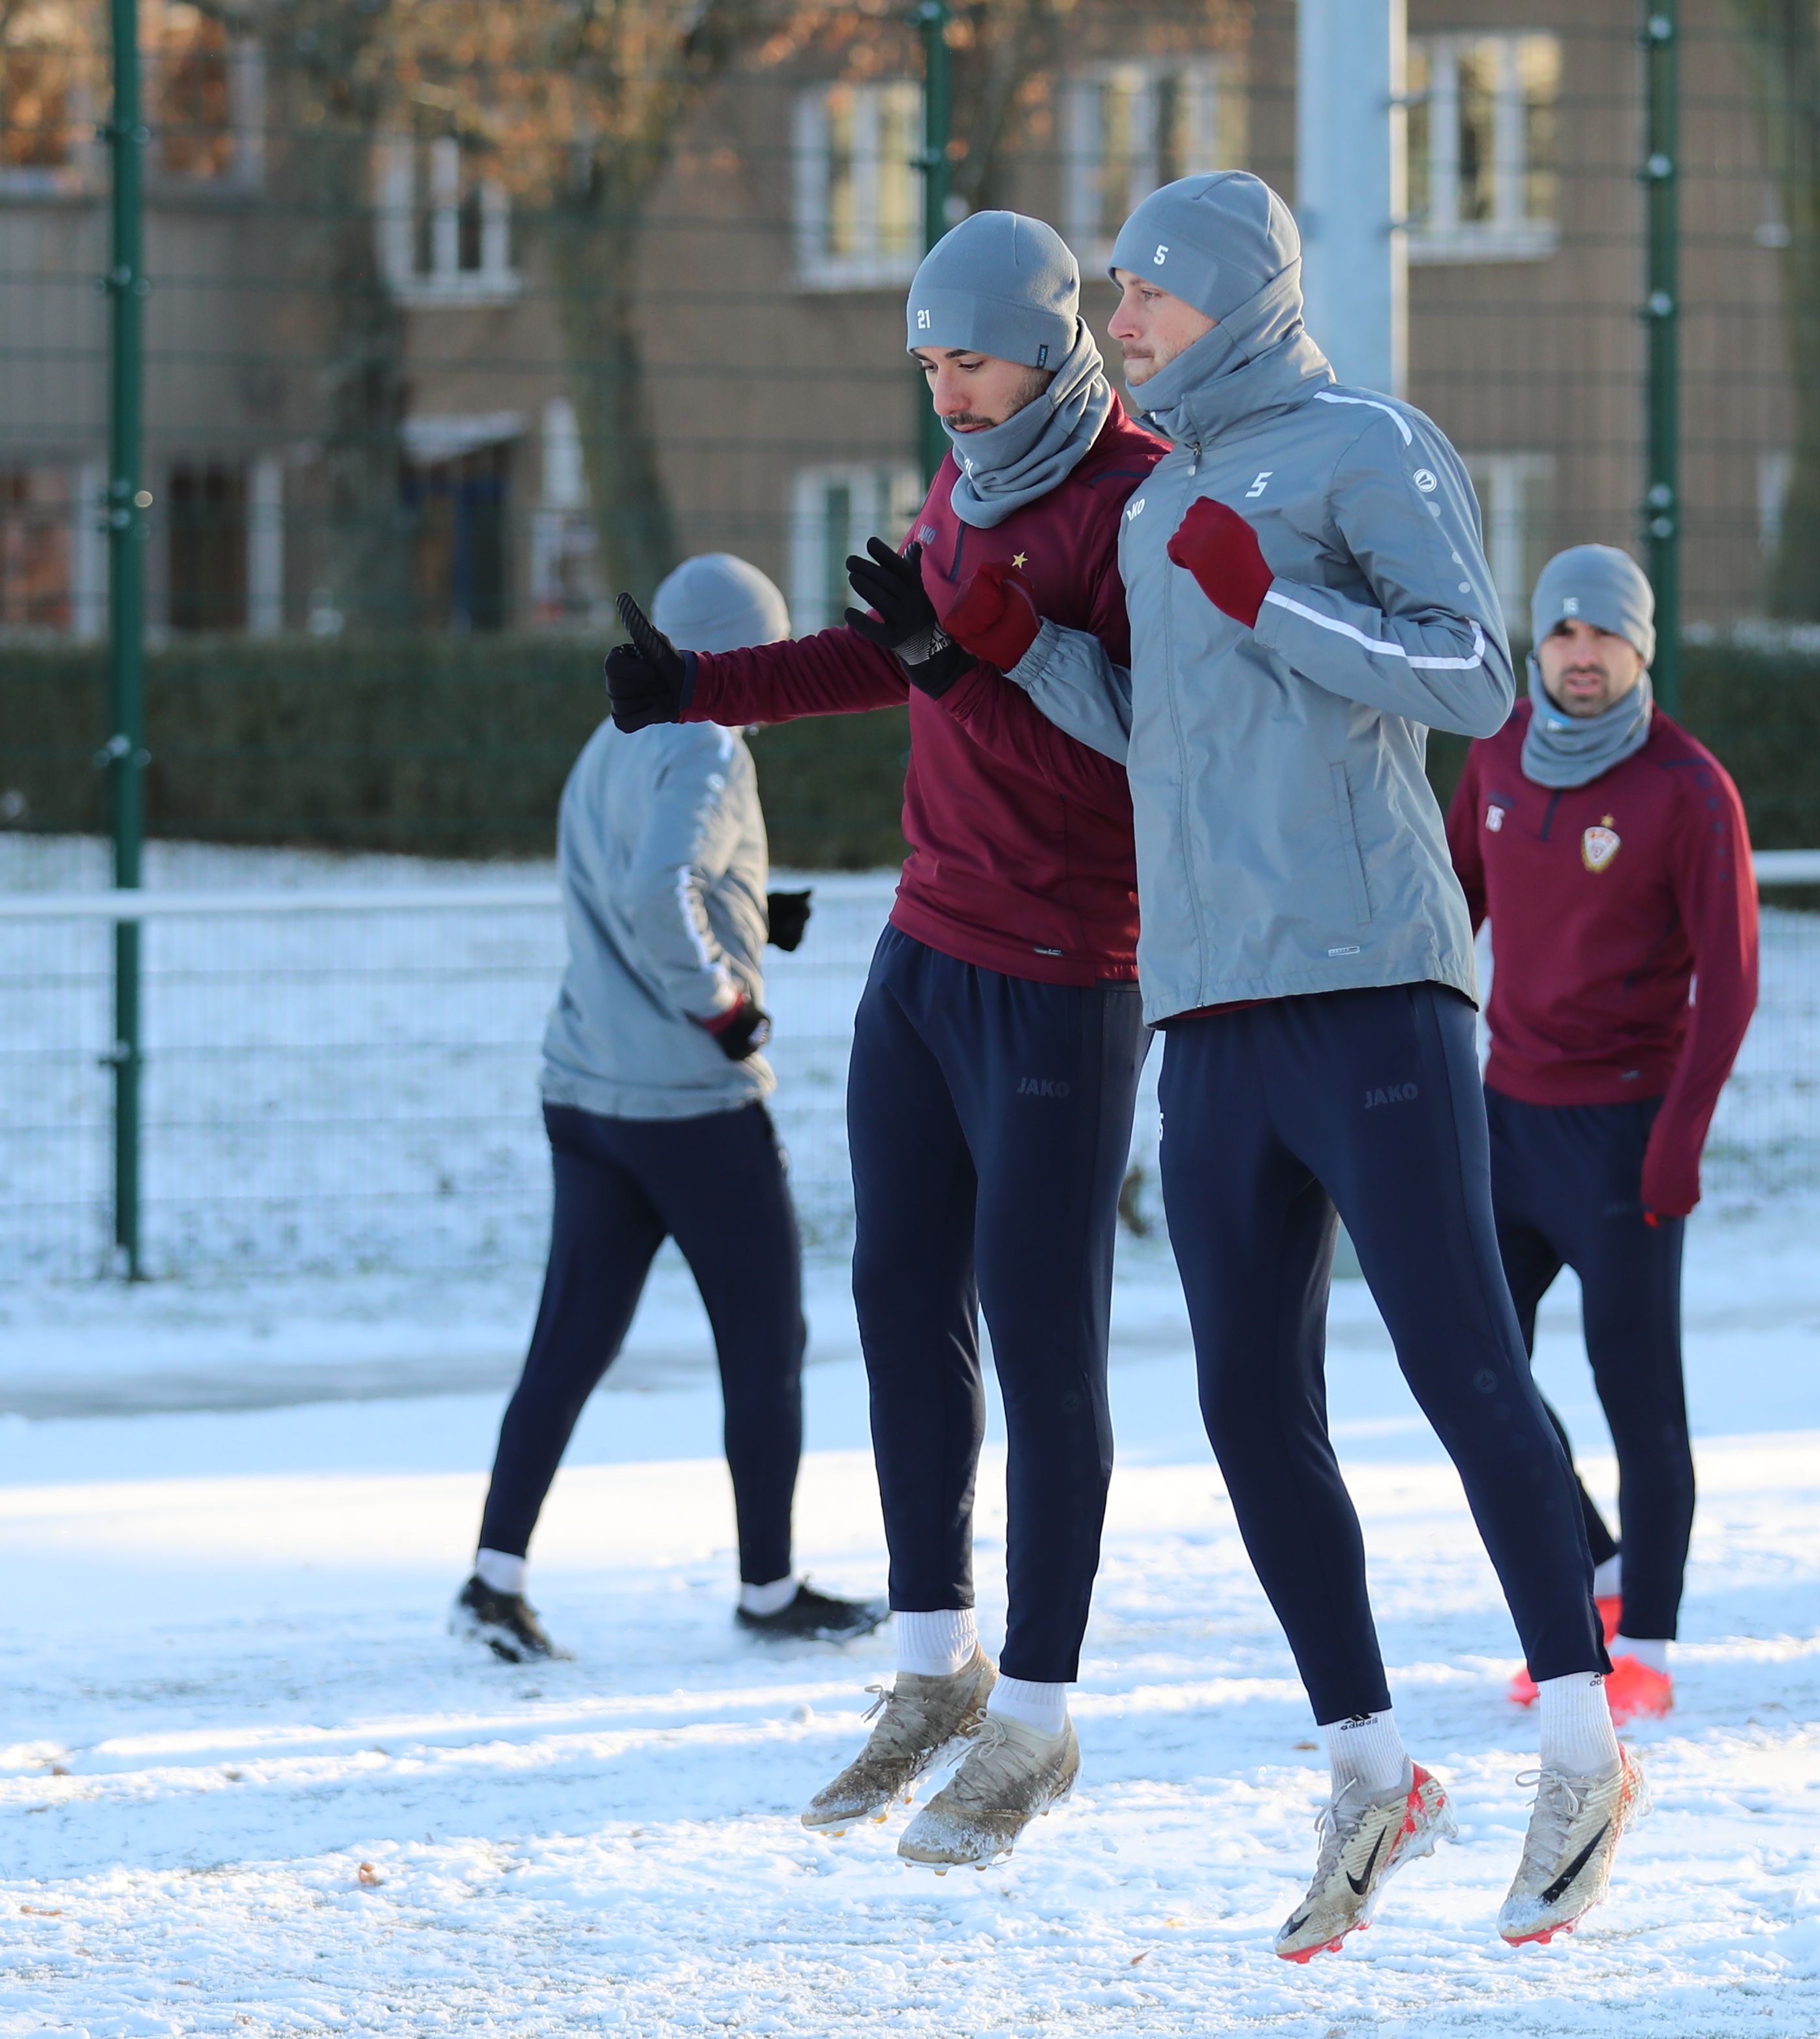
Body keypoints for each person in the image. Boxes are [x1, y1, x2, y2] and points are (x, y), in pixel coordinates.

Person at [968, 171, 1637, 1957]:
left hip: (1372, 985)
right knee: (1247, 1400)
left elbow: (1478, 681)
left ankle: (1580, 1743)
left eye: (1146, 298)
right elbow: (1158, 735)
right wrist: (1010, 653)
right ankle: (1369, 1765)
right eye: (1112, 300)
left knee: (1456, 1361)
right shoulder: (1159, 496)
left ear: (1235, 296)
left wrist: (1268, 594)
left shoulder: (1368, 444)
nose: (1118, 325)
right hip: (1210, 1008)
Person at [603, 211, 1164, 1869]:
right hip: (927, 948)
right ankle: (934, 1662)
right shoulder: (967, 480)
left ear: (1053, 342)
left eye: (969, 360)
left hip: (1068, 964)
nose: (947, 394)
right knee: (897, 1294)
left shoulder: (1134, 500)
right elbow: (896, 658)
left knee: (1043, 1333)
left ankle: (1038, 1719)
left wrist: (959, 663)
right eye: (925, 365)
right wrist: (699, 685)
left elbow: (1139, 758)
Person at [455, 553, 880, 1663]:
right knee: (765, 1338)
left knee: (571, 1339)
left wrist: (751, 913)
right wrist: (724, 1002)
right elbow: (657, 889)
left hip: (585, 1082)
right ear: (737, 652)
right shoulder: (708, 737)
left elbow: (636, 875)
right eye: (773, 653)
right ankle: (769, 1588)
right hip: (685, 1100)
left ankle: (493, 1575)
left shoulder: (620, 730)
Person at [1444, 544, 1759, 1728]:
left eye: (1606, 638)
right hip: (1505, 1121)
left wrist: (1680, 1139)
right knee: (1479, 1371)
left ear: (1641, 650)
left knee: (1640, 1396)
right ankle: (1593, 1570)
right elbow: (1450, 909)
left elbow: (1729, 986)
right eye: (1565, 635)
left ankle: (1652, 1641)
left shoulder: (1687, 788)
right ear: (1543, 642)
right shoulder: (1495, 752)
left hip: (1627, 1132)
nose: (1584, 657)